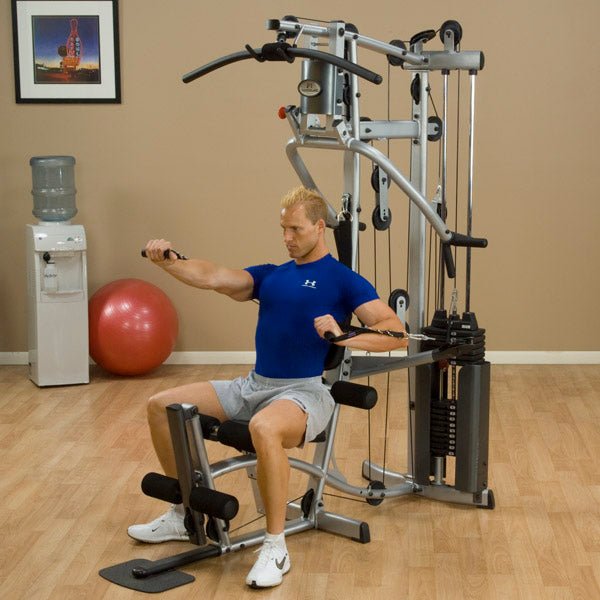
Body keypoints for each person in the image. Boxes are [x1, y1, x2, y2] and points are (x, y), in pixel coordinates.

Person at [128, 186, 406, 588]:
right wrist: (169, 262)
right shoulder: (272, 275)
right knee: (161, 405)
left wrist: (343, 335)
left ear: (318, 226)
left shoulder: (342, 280)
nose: (286, 237)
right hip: (253, 385)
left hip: (305, 393)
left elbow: (396, 334)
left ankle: (275, 546)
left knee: (264, 428)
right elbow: (213, 276)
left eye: (295, 228)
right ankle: (184, 513)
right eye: (282, 229)